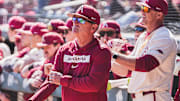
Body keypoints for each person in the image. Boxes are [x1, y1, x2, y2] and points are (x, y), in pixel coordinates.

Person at [29, 5, 111, 101]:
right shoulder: (64, 49)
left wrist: (63, 80)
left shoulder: (102, 51)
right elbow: (52, 81)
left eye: (81, 20)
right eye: (74, 19)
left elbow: (93, 84)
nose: (75, 23)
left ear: (93, 28)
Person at [111, 0, 177, 101]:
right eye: (142, 8)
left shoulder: (164, 36)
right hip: (139, 97)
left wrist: (114, 55)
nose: (142, 12)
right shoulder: (143, 37)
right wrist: (108, 58)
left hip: (154, 96)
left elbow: (147, 64)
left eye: (146, 9)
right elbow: (128, 70)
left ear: (159, 15)